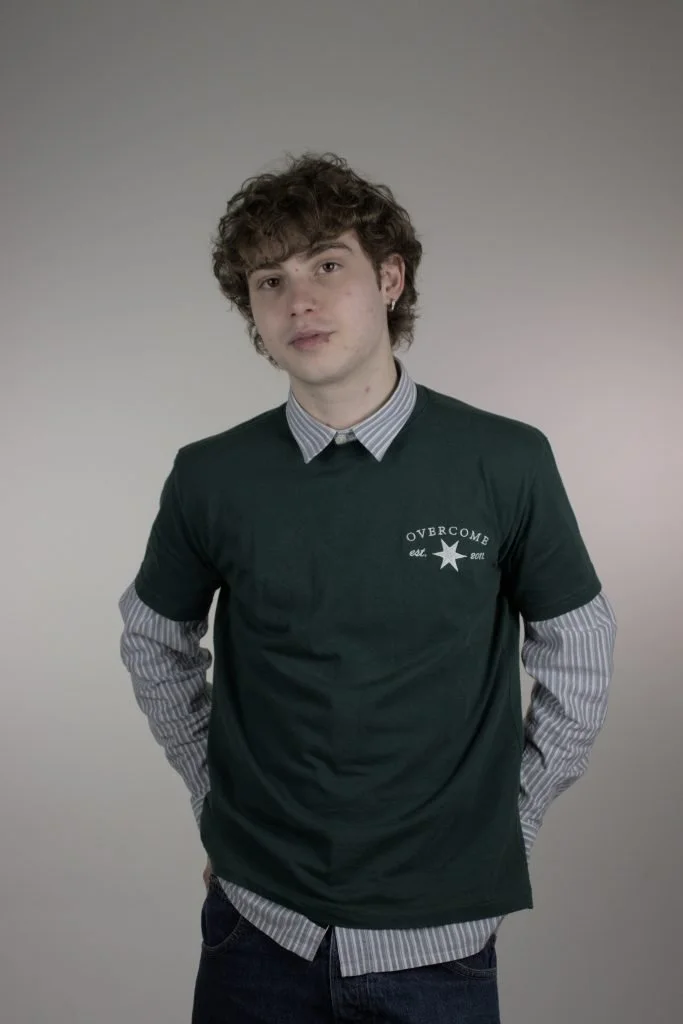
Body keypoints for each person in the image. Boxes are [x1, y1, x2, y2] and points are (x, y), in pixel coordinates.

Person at [118, 151, 617, 1023]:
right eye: (268, 281)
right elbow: (153, 642)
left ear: (389, 279)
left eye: (326, 265)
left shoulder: (505, 460)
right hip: (256, 931)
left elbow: (578, 649)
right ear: (252, 313)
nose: (297, 301)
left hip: (438, 949)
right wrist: (215, 803)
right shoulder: (209, 476)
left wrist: (510, 821)